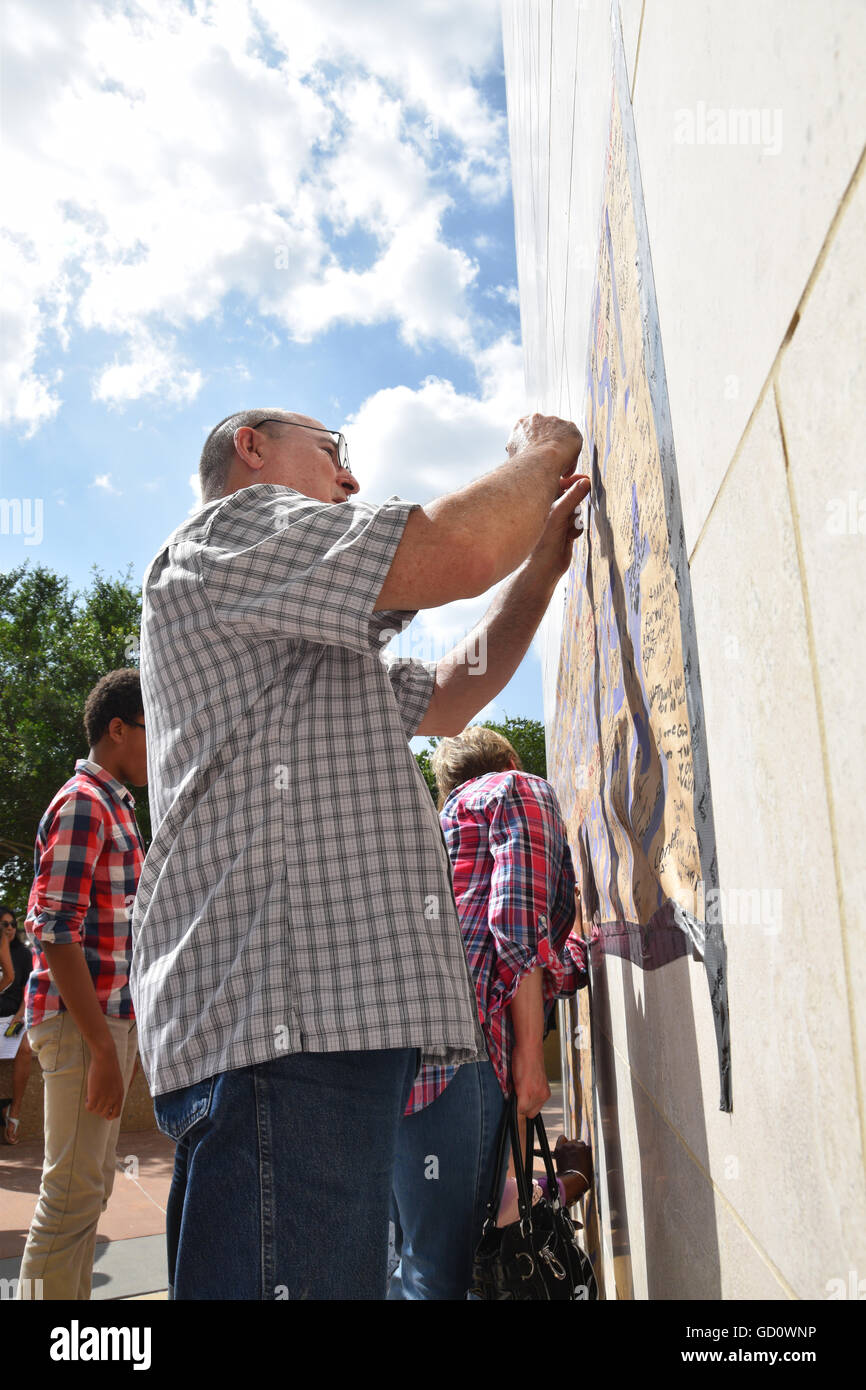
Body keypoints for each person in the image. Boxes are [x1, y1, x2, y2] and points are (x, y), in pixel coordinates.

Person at [132, 407, 590, 1300]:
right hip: (279, 1031)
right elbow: (452, 550)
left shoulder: (303, 653)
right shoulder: (233, 530)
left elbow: (458, 693)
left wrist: (541, 566)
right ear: (252, 449)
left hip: (306, 1036)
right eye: (333, 454)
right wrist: (546, 452)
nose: (348, 480)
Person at [389, 726, 588, 1299]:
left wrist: (575, 955)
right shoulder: (516, 788)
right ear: (508, 757)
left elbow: (499, 935)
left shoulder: (440, 828)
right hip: (464, 1052)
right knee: (442, 1265)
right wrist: (529, 1055)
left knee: (409, 1255)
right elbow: (516, 924)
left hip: (400, 1060)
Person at [16, 670, 147, 1301]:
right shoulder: (84, 804)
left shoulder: (113, 804)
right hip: (80, 1023)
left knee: (86, 1193)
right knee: (68, 1200)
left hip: (97, 1021)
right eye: (157, 729)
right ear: (117, 730)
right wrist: (100, 1048)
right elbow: (55, 931)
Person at [0, 905, 34, 1144]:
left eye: (13, 924)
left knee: (25, 1049)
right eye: (5, 924)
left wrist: (21, 1015)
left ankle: (15, 1110)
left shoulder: (23, 954)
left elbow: (27, 989)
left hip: (13, 1016)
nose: (10, 928)